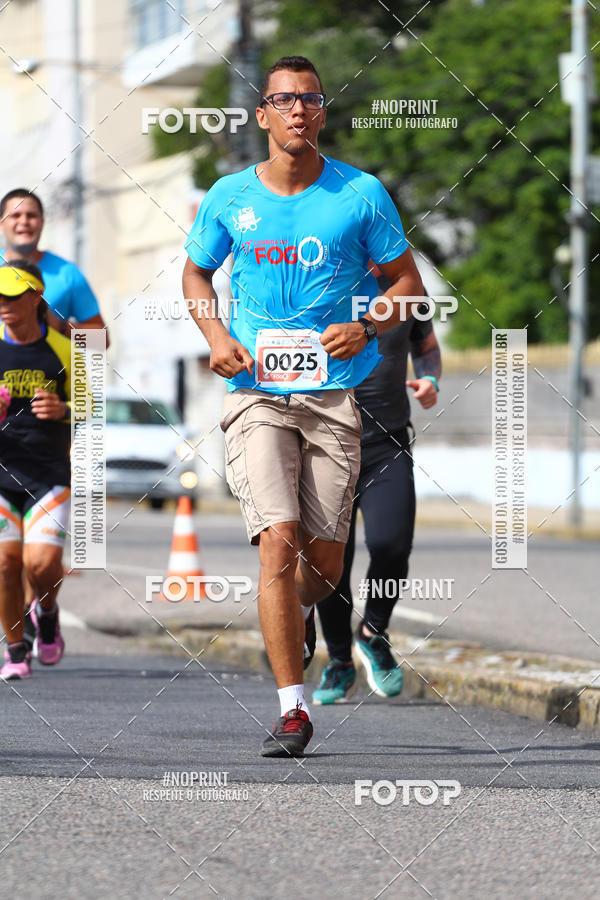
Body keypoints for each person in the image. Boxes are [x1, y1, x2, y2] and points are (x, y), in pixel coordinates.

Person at [183, 56, 424, 757]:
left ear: (322, 114)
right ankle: (293, 709)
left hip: (332, 397)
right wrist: (215, 333)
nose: (297, 111)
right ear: (262, 115)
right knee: (279, 546)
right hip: (256, 392)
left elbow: (406, 282)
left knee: (322, 565)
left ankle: (306, 619)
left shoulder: (362, 194)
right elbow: (196, 272)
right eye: (283, 100)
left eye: (310, 100)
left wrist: (370, 322)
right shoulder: (229, 196)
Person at [313, 269, 442, 703]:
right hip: (325, 443)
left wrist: (431, 379)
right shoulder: (320, 280)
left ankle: (373, 632)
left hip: (387, 443)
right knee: (332, 563)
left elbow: (426, 347)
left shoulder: (408, 289)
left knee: (391, 544)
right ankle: (337, 661)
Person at [0, 260, 73, 680]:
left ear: (35, 298)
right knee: (6, 566)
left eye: (12, 295)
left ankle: (46, 612)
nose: (4, 304)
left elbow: (94, 409)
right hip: (1, 473)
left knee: (41, 566)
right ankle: (15, 650)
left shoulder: (65, 351)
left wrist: (64, 409)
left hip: (47, 475)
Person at [0, 188, 108, 340]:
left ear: (42, 223)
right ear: (1, 224)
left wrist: (61, 327)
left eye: (31, 215)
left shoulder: (68, 274)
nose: (24, 221)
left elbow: (102, 340)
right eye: (15, 215)